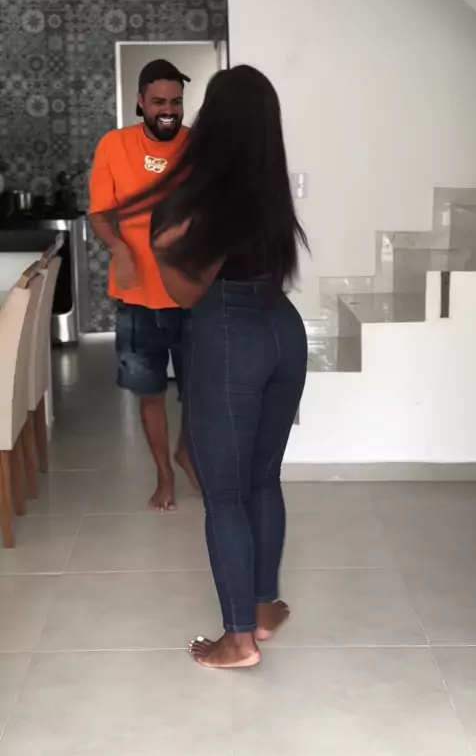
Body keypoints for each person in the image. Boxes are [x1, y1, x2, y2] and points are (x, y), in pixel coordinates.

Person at [116, 64, 309, 669]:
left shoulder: (200, 194)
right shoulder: (268, 189)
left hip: (230, 336)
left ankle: (238, 640)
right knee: (263, 479)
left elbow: (187, 290)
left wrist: (159, 252)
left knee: (223, 493)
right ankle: (263, 607)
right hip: (283, 329)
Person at [89, 58, 197, 512]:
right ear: (140, 101)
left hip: (190, 293)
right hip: (136, 297)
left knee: (199, 390)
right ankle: (163, 475)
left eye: (175, 101)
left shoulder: (197, 147)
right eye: (158, 102)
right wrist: (119, 248)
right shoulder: (114, 145)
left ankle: (186, 452)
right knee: (149, 390)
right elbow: (99, 214)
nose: (168, 110)